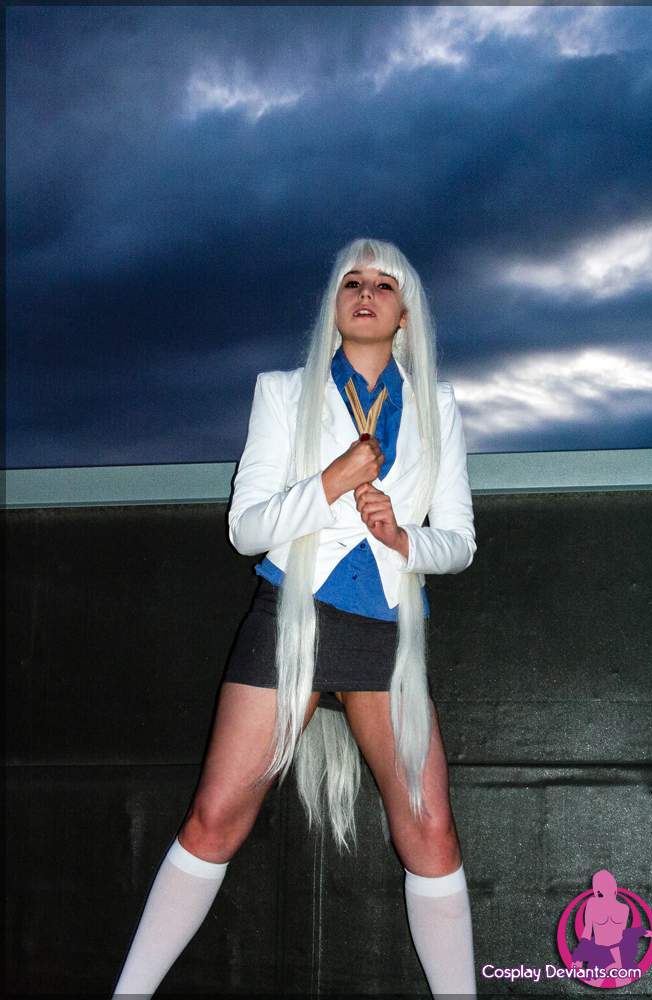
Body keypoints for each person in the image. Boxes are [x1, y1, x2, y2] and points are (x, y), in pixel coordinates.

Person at [112, 238, 478, 996]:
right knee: (215, 819)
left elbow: (460, 543)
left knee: (430, 831)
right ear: (333, 303)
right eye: (352, 281)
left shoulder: (437, 404)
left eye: (384, 285)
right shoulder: (281, 392)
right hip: (289, 618)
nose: (366, 294)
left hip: (385, 628)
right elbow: (245, 528)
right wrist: (330, 482)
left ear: (406, 312)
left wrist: (404, 540)